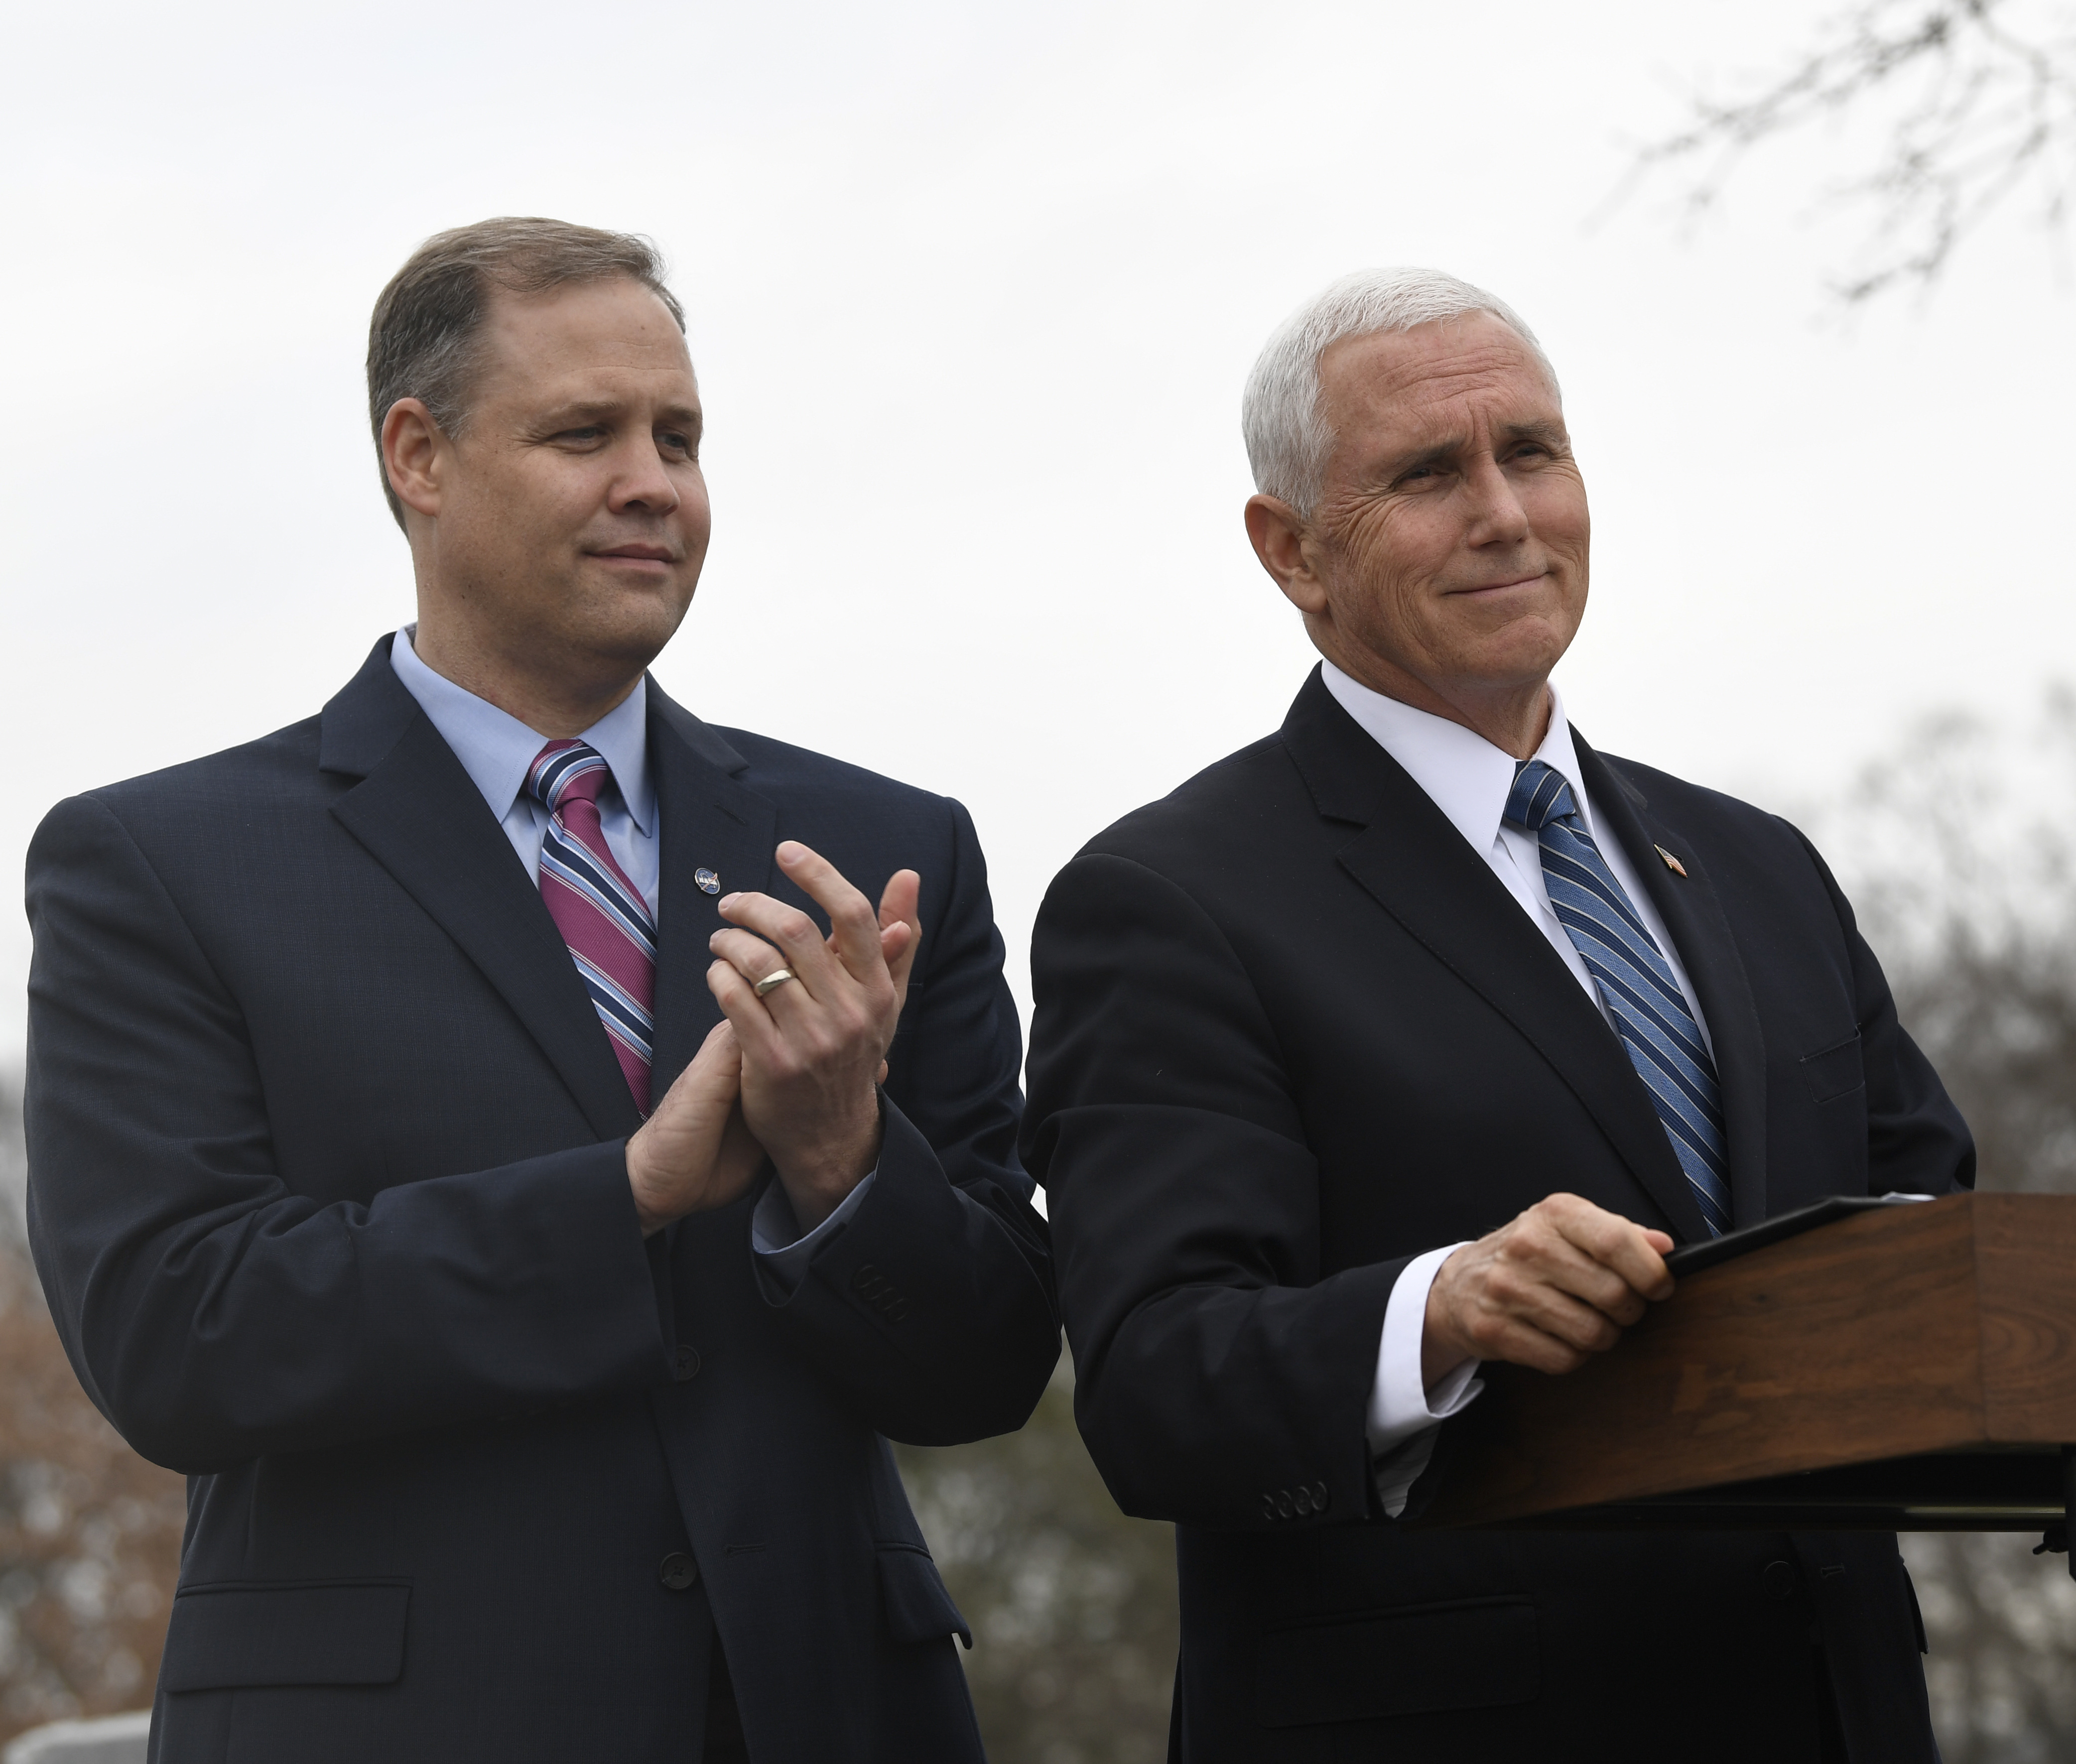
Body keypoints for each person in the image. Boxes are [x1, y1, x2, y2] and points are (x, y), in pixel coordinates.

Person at [22, 218, 1056, 1764]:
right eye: (586, 432)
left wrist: (846, 1169)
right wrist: (625, 1195)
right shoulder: (160, 864)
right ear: (417, 457)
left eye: (681, 436)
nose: (654, 480)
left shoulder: (885, 854)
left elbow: (987, 1366)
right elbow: (182, 1337)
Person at [1025, 269, 1975, 1760]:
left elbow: (1940, 1233)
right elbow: (1154, 1386)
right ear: (1289, 551)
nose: (1504, 514)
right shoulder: (1167, 898)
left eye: (1530, 451)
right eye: (1426, 473)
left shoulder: (1756, 866)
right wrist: (1440, 1307)